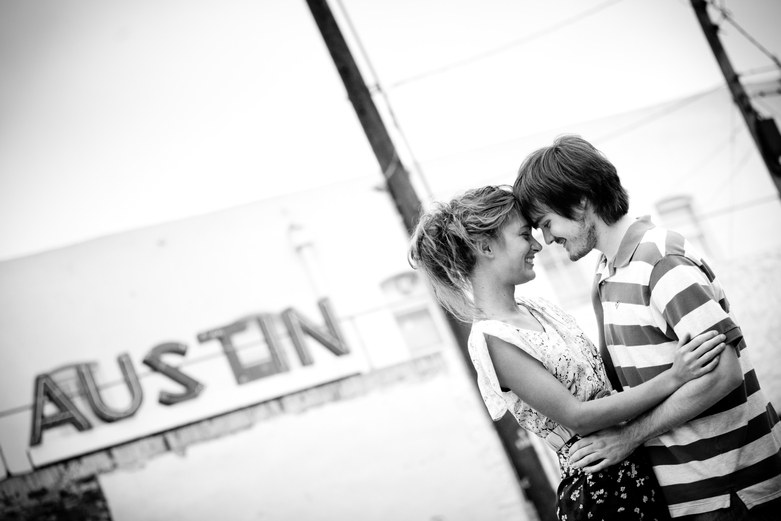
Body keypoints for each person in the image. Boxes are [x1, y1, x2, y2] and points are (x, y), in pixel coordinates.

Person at [408, 185, 727, 521]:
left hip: (637, 467)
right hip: (601, 492)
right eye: (524, 235)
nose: (537, 245)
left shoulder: (537, 306)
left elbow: (601, 377)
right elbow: (578, 416)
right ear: (485, 247)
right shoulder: (492, 338)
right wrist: (675, 376)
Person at [513, 134, 781, 520]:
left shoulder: (661, 260)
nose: (548, 239)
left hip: (736, 492)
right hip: (689, 497)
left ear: (581, 201)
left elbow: (724, 375)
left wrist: (630, 437)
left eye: (546, 223)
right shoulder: (606, 273)